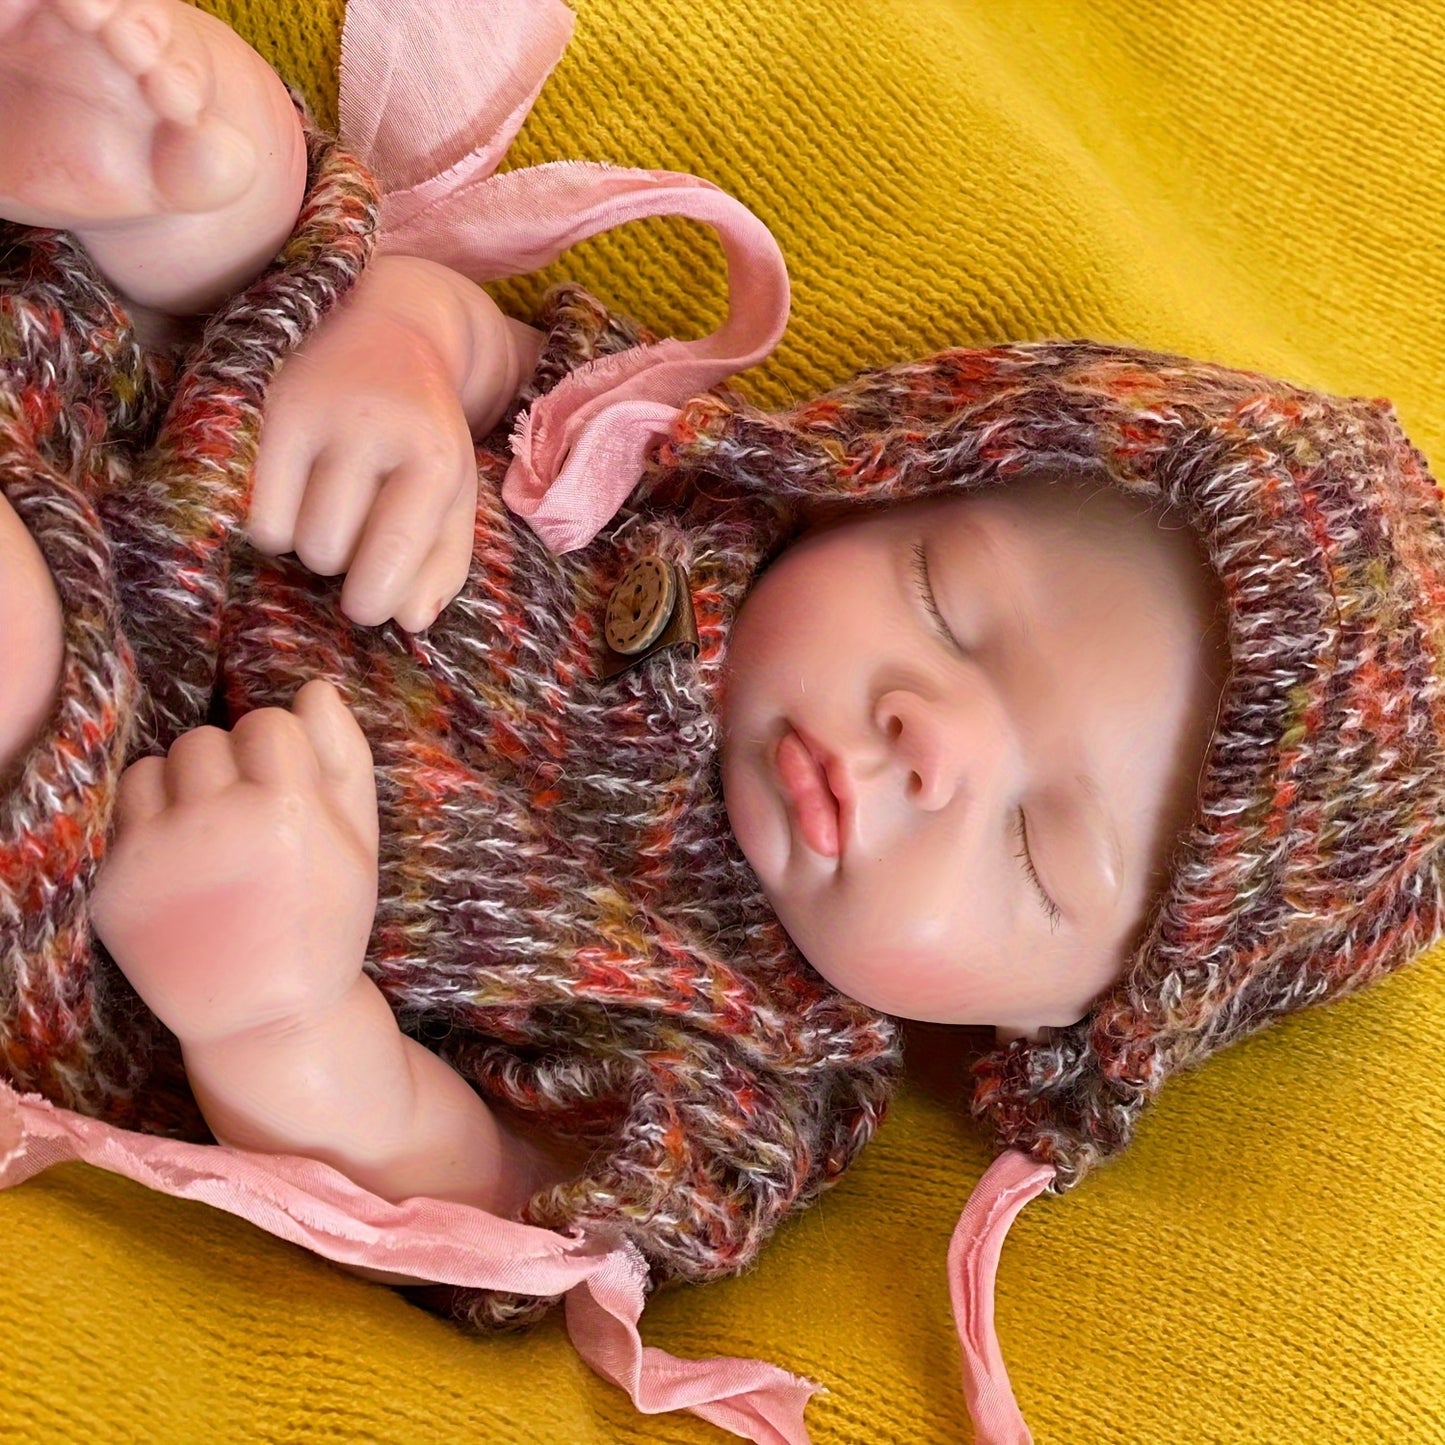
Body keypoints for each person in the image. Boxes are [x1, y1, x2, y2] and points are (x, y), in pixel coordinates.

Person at [2, 1, 1442, 1440]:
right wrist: (399, 349)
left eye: (1029, 843)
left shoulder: (756, 1078)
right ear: (890, 481)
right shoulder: (673, 485)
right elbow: (488, 344)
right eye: (947, 602)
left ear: (1062, 1021)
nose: (924, 734)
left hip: (108, 851)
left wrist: (278, 1012)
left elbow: (489, 1201)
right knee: (255, 186)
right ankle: (127, 150)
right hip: (141, 408)